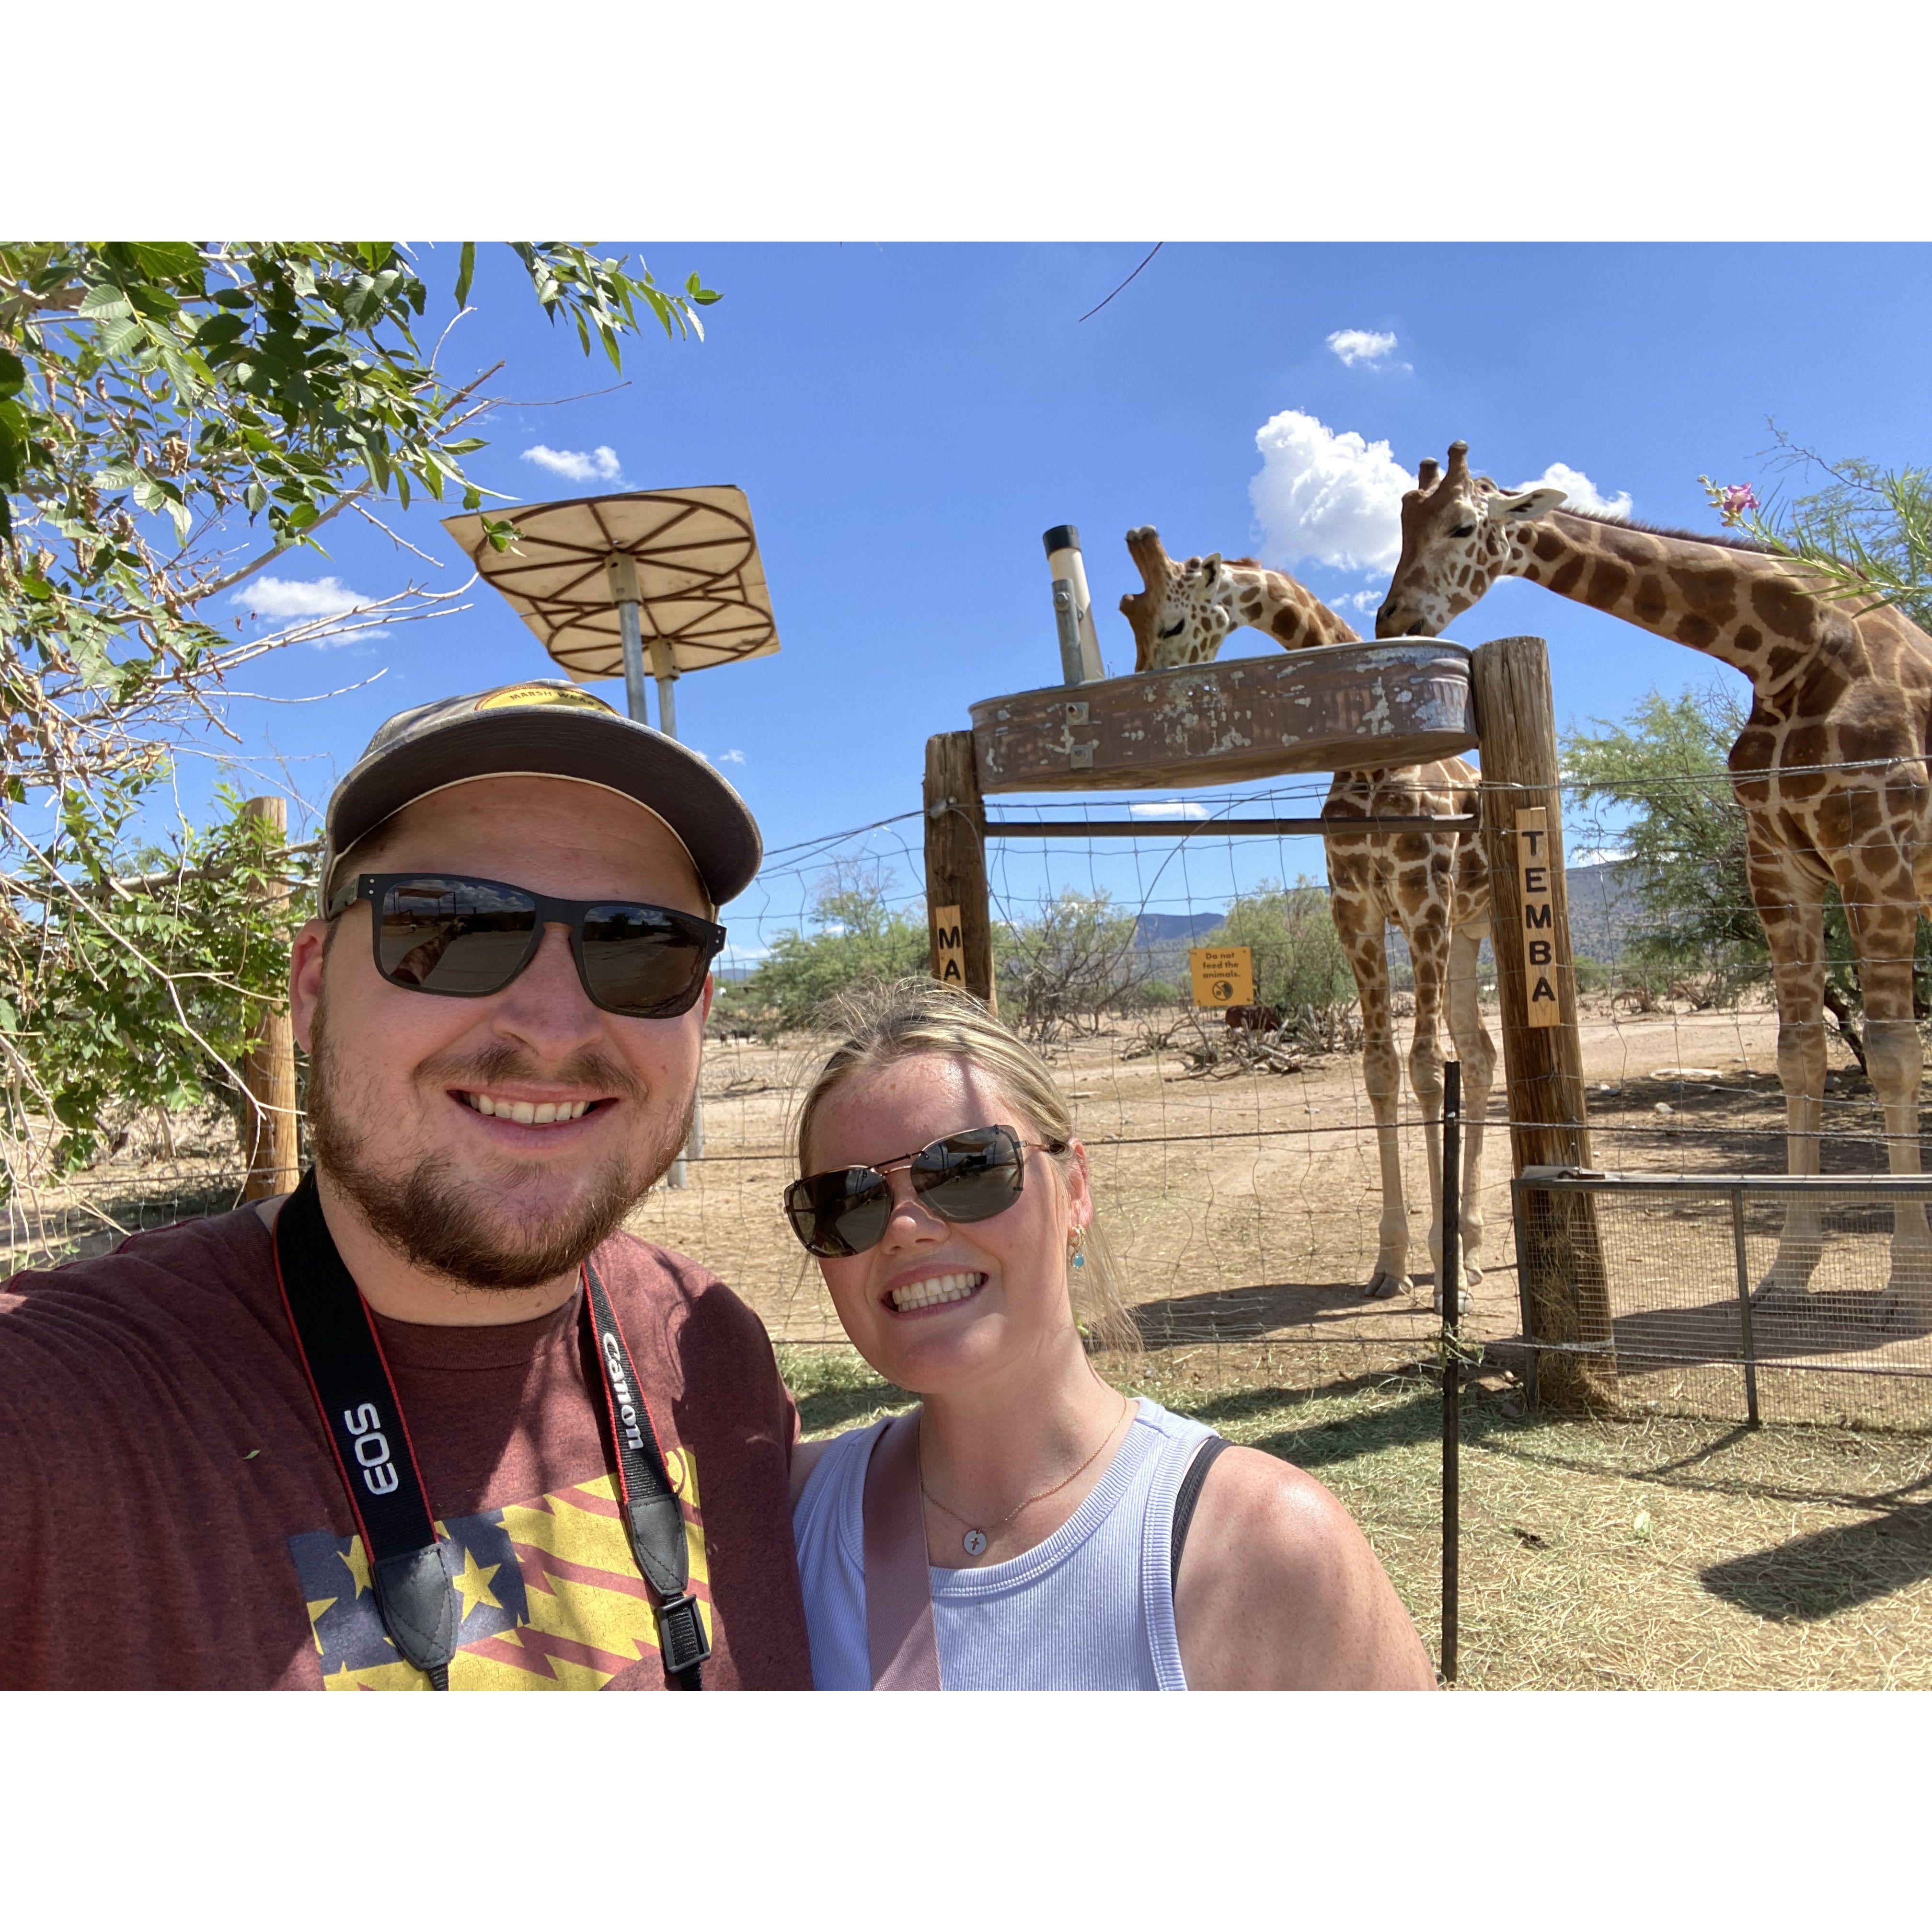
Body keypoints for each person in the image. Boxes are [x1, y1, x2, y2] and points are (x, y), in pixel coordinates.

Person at [0, 680, 812, 1690]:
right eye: (455, 929)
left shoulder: (713, 1358)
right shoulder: (64, 1421)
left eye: (640, 948)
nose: (554, 1029)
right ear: (309, 987)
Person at [786, 980, 1437, 1690]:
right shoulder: (779, 1520)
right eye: (848, 1202)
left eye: (968, 1168)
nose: (906, 1228)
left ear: (1076, 1189)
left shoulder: (1268, 1548)